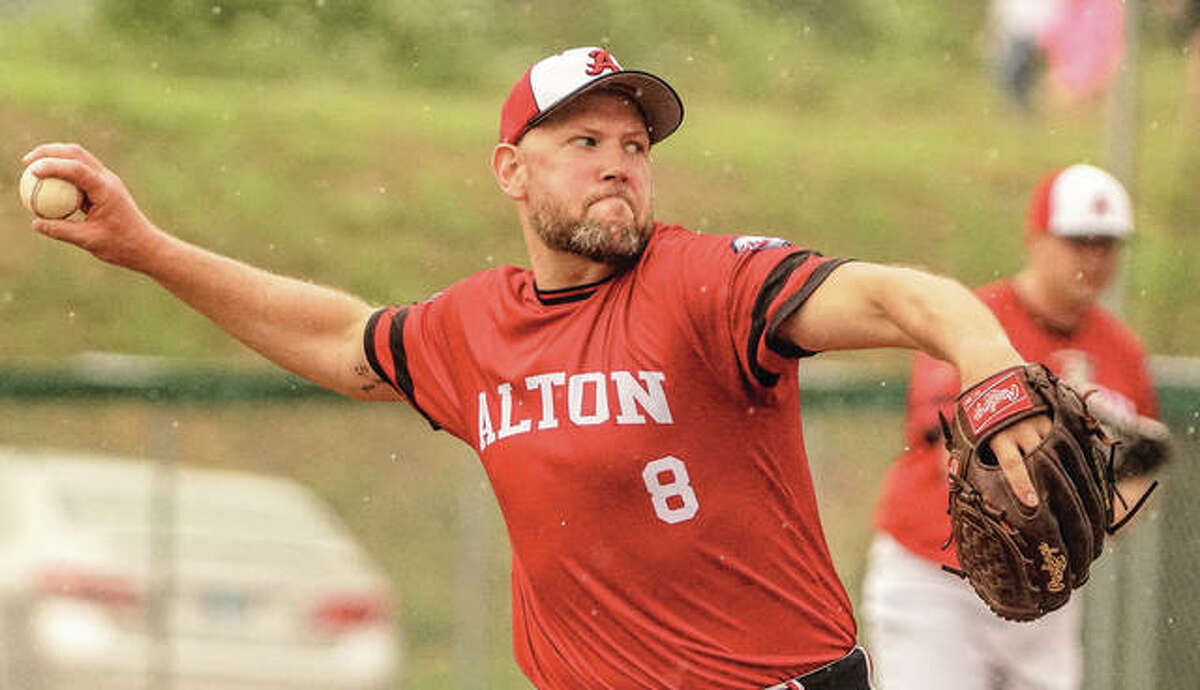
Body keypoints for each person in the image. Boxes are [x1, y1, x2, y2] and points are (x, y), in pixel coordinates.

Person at [25, 46, 1056, 690]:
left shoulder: (704, 284)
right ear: (512, 172)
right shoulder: (477, 327)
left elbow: (894, 296)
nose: (620, 160)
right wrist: (144, 247)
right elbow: (345, 344)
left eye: (636, 144)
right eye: (585, 139)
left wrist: (990, 366)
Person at [864, 163, 1167, 690]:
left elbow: (1139, 469)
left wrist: (1089, 522)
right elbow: (953, 455)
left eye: (1107, 244)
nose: (1094, 257)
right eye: (1079, 241)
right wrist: (1042, 505)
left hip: (1048, 590)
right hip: (937, 582)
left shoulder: (1122, 350)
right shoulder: (973, 319)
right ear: (1037, 238)